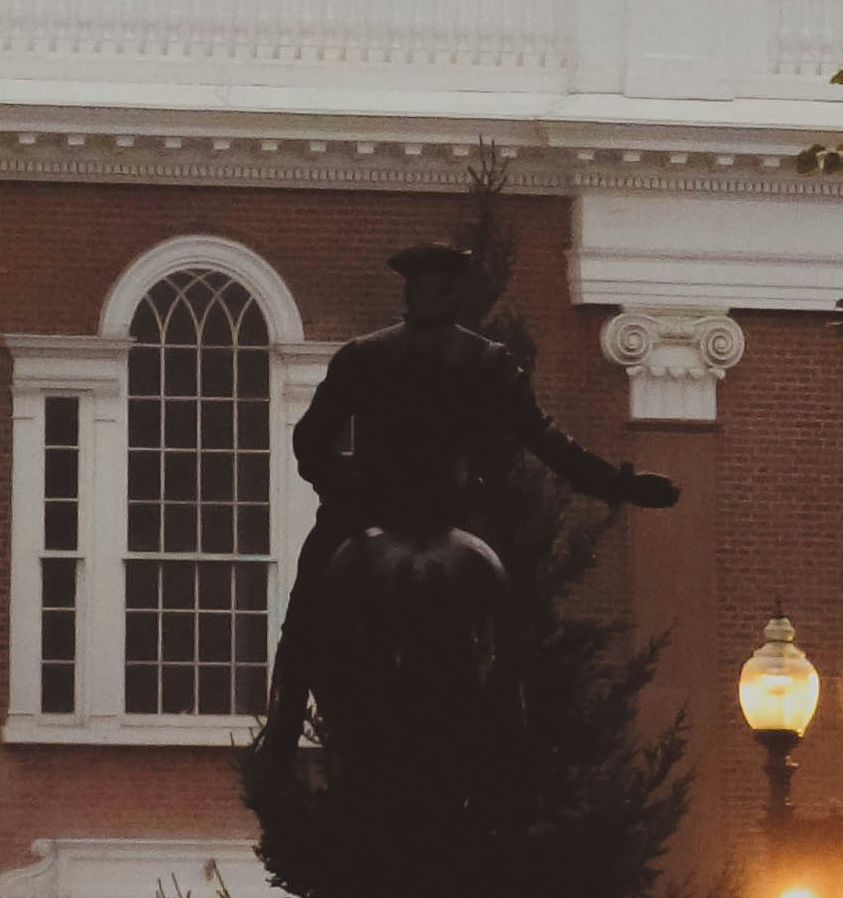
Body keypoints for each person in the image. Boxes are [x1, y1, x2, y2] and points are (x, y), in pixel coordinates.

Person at [260, 240, 678, 755]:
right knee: (513, 613)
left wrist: (347, 486)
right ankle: (515, 732)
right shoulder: (487, 361)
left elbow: (309, 442)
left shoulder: (363, 355)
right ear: (453, 294)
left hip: (368, 509)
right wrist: (621, 485)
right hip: (451, 510)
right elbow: (549, 443)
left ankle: (280, 735)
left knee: (307, 617)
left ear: (410, 291)